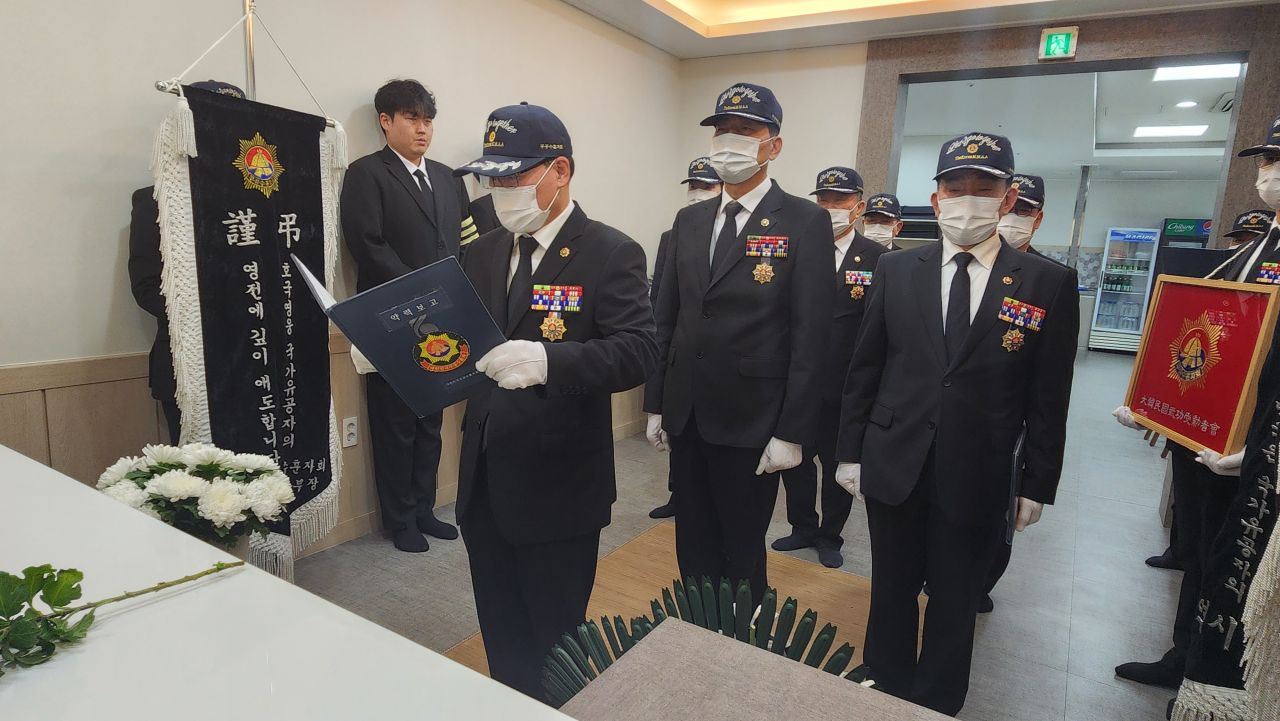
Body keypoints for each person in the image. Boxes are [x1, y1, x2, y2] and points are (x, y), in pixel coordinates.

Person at [834, 132, 1080, 715]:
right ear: (936, 197)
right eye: (955, 187)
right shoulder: (896, 269)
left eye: (984, 188)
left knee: (955, 596)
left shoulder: (1046, 282)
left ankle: (938, 700)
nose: (968, 199)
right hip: (895, 456)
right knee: (891, 586)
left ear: (1008, 197)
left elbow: (1050, 395)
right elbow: (866, 368)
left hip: (979, 468)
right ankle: (886, 684)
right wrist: (850, 450)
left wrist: (1038, 482)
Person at [453, 102, 658, 700]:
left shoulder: (610, 251)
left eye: (513, 177)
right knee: (500, 633)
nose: (500, 192)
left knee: (555, 644)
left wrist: (551, 361)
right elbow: (469, 341)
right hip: (485, 478)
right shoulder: (485, 250)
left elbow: (639, 351)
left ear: (559, 170)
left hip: (558, 486)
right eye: (491, 180)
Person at [644, 82, 832, 608]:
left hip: (753, 418)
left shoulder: (805, 220)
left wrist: (793, 432)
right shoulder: (689, 219)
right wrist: (656, 401)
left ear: (773, 145)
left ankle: (743, 634)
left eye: (745, 131)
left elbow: (811, 335)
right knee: (692, 540)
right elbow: (666, 317)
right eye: (722, 131)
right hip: (688, 412)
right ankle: (697, 626)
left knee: (742, 546)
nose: (730, 142)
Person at [1112, 122, 1280, 698]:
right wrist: (1157, 404)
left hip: (1261, 455)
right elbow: (1205, 333)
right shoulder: (1252, 252)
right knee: (1204, 559)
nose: (1269, 173)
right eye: (1267, 160)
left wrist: (1260, 448)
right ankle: (1185, 658)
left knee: (1239, 574)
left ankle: (1218, 686)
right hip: (1209, 441)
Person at [341, 79, 470, 553]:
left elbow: (464, 242)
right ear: (386, 121)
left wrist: (454, 293)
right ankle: (399, 520)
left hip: (444, 317)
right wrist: (421, 290)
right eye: (412, 118)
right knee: (395, 423)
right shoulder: (366, 174)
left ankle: (424, 509)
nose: (422, 129)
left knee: (430, 420)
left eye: (428, 120)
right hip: (391, 318)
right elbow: (367, 244)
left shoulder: (447, 177)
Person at [772, 167, 885, 569]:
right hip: (797, 384)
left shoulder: (878, 258)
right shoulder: (795, 247)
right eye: (824, 200)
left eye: (840, 200)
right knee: (796, 463)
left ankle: (829, 536)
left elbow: (879, 329)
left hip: (845, 387)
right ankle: (802, 527)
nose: (830, 207)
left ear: (858, 206)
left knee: (839, 467)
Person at [129, 80, 246, 444]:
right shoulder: (155, 199)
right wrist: (209, 317)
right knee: (200, 471)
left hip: (251, 360)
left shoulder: (259, 201)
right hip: (188, 365)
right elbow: (147, 287)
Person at [648, 157, 722, 520]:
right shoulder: (674, 234)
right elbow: (663, 297)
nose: (696, 193)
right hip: (681, 353)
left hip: (723, 365)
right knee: (679, 437)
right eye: (692, 186)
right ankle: (677, 495)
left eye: (705, 187)